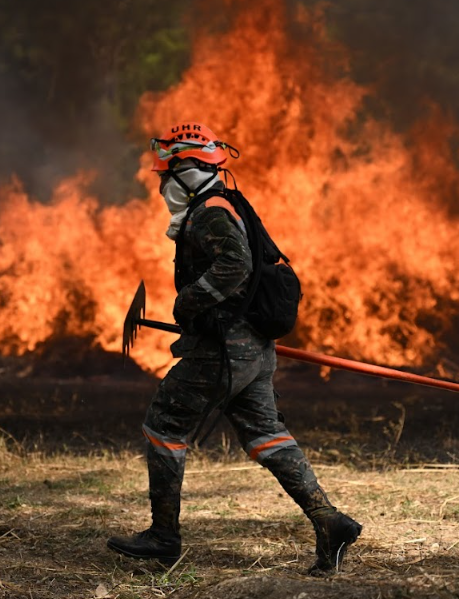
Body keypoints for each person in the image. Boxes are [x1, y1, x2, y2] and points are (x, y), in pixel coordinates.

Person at [107, 122, 362, 576]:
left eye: (167, 174)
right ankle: (331, 523)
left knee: (164, 424)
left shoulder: (210, 211)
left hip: (223, 352)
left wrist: (190, 300)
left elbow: (235, 264)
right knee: (266, 435)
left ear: (189, 170)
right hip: (253, 352)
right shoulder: (224, 203)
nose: (162, 184)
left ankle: (163, 538)